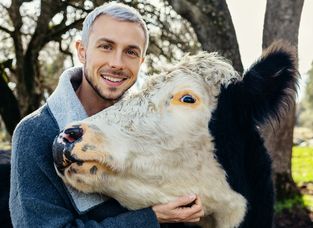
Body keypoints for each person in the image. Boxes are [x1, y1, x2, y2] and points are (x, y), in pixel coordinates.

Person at [9, 2, 204, 227]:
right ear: (82, 51)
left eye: (131, 52)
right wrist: (151, 219)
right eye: (106, 46)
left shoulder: (148, 130)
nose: (117, 63)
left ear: (141, 61)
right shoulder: (35, 132)